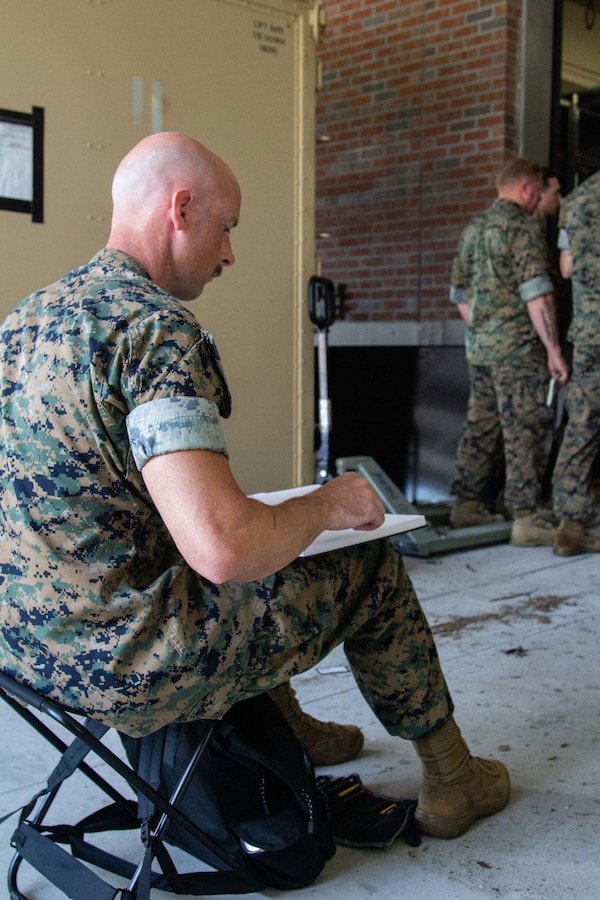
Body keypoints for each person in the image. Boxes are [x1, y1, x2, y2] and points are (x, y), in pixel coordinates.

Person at [0, 132, 509, 840]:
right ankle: (454, 779)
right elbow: (223, 551)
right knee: (363, 559)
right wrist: (331, 503)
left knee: (267, 545)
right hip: (126, 662)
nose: (230, 254)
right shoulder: (155, 331)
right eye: (227, 227)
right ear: (180, 209)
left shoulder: (24, 320)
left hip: (24, 657)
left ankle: (290, 726)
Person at [449, 156, 569, 545]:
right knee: (526, 429)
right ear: (528, 189)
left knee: (481, 425)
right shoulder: (522, 228)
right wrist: (553, 349)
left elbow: (460, 298)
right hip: (518, 351)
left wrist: (486, 329)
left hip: (481, 348)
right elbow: (537, 294)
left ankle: (466, 505)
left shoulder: (473, 229)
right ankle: (526, 517)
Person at [551, 168, 600, 556]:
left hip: (590, 331)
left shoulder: (578, 200)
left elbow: (566, 268)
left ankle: (571, 523)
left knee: (583, 422)